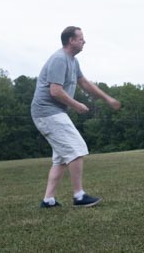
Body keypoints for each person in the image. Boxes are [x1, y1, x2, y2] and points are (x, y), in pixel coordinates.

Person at [31, 26, 121, 208]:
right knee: (76, 148)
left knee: (62, 157)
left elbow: (84, 83)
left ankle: (48, 200)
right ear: (71, 40)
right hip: (47, 111)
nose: (84, 41)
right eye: (81, 38)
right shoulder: (59, 59)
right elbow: (55, 91)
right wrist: (77, 105)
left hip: (54, 112)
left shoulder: (73, 61)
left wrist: (107, 98)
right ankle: (79, 196)